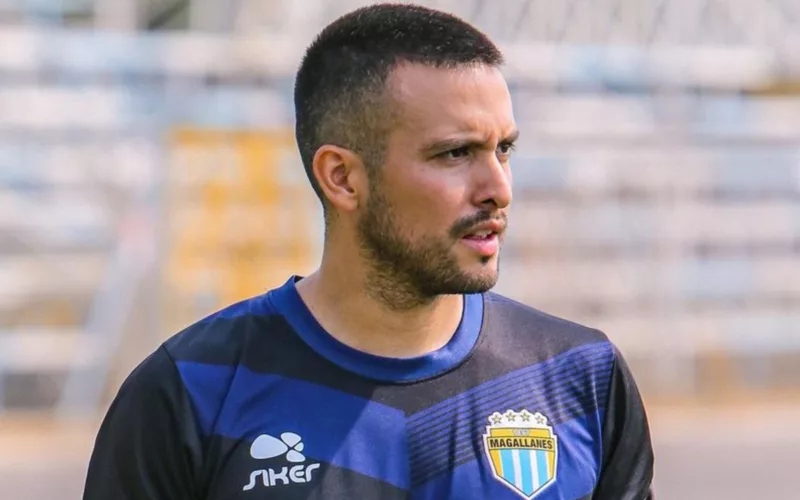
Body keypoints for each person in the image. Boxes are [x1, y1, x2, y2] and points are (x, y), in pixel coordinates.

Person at [83, 3, 654, 499]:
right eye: (455, 153)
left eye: (503, 148)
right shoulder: (191, 391)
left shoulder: (581, 378)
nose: (498, 187)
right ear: (343, 178)